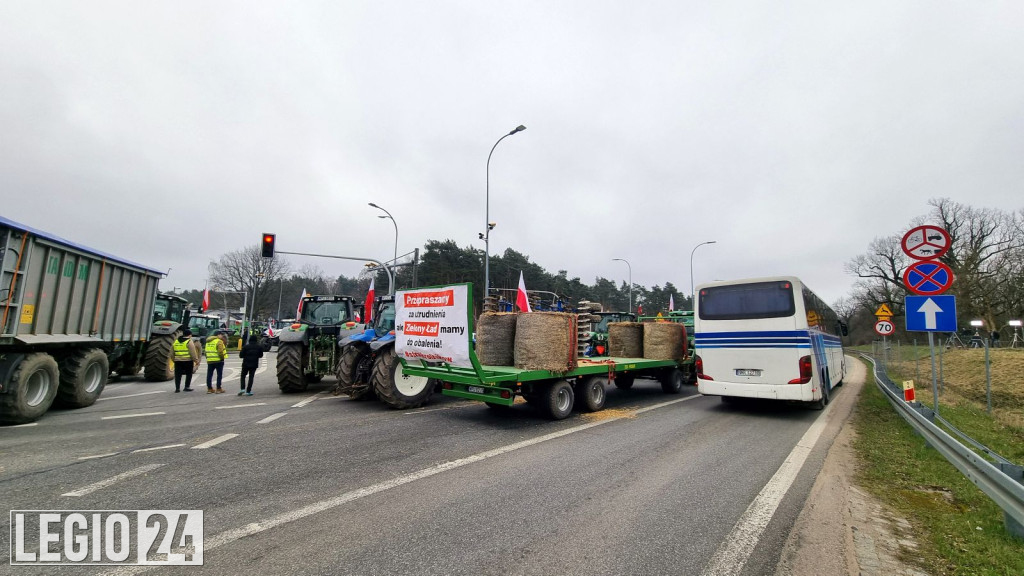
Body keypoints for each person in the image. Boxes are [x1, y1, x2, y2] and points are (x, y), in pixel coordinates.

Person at [173, 328, 199, 392]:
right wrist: (196, 360)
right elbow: (193, 352)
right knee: (189, 374)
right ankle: (186, 387)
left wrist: (174, 359)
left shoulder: (176, 341)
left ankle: (177, 388)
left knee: (178, 375)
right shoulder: (189, 342)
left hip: (178, 361)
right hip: (188, 361)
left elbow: (171, 352)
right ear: (189, 335)